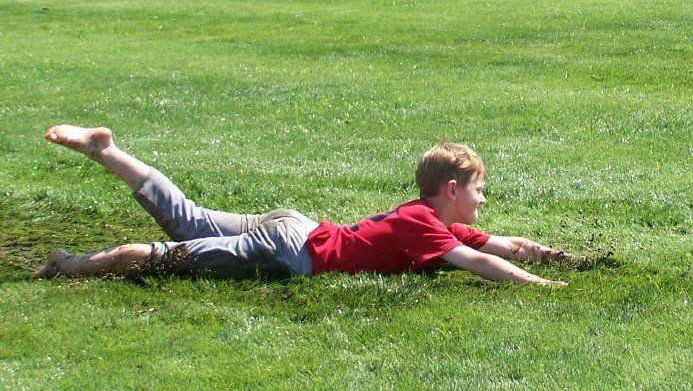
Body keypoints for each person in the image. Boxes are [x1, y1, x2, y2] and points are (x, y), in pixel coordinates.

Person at [31, 125, 574, 286]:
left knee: (188, 217)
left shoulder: (430, 221)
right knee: (166, 254)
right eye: (478, 188)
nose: (484, 197)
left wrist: (557, 257)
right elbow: (483, 263)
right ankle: (70, 264)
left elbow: (503, 247)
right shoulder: (425, 227)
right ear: (450, 190)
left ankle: (108, 151)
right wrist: (539, 287)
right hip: (292, 248)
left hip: (296, 226)